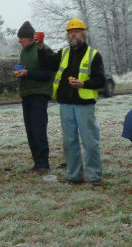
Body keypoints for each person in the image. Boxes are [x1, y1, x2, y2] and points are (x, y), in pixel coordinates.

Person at [38, 18, 106, 186]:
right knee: (69, 142)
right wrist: (40, 47)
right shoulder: (63, 53)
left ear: (83, 33)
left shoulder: (93, 55)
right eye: (70, 32)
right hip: (66, 104)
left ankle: (95, 177)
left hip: (84, 105)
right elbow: (47, 63)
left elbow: (101, 80)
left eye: (75, 31)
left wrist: (83, 84)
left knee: (89, 142)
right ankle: (74, 176)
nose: (72, 34)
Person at [14, 21, 55, 175]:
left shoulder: (43, 49)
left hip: (39, 95)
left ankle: (44, 164)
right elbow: (25, 68)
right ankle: (37, 163)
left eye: (21, 38)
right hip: (26, 95)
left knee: (38, 130)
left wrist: (27, 73)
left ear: (29, 38)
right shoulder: (24, 52)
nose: (19, 41)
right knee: (30, 131)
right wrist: (19, 71)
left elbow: (48, 74)